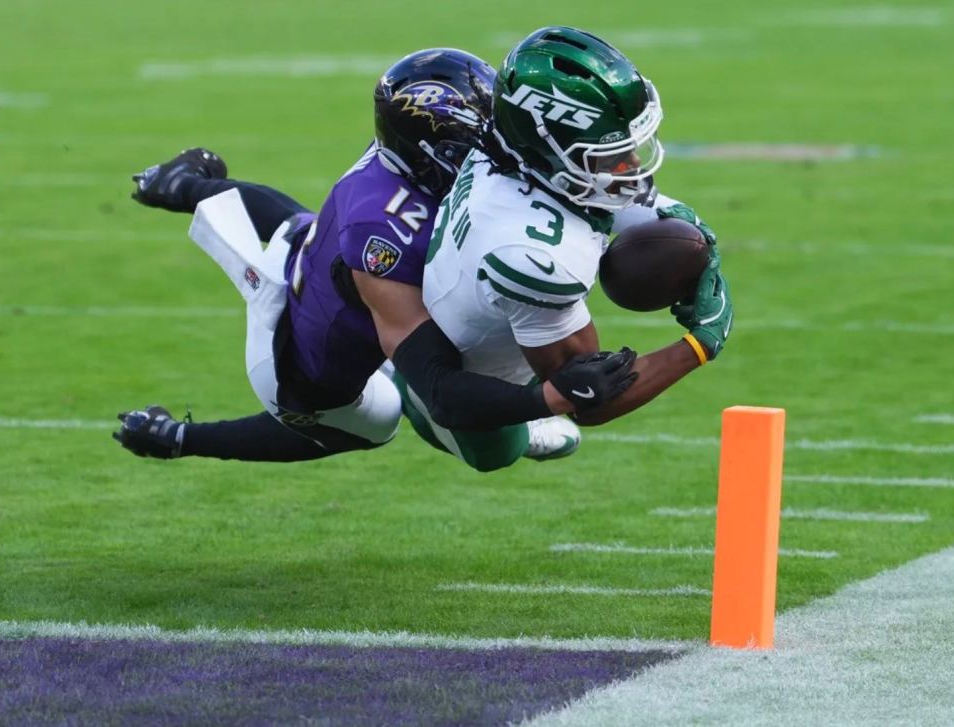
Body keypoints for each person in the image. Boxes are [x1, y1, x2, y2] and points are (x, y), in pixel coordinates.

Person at [113, 48, 637, 470]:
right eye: (480, 143)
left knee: (302, 228)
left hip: (312, 258)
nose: (494, 152)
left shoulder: (402, 155)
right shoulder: (386, 236)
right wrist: (545, 399)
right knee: (386, 417)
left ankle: (178, 185)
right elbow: (440, 388)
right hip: (302, 374)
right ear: (437, 151)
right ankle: (175, 438)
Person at [401, 27, 734, 466]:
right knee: (497, 453)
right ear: (552, 149)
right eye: (609, 153)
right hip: (474, 384)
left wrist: (693, 233)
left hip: (455, 296)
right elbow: (591, 395)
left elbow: (615, 200)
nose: (633, 163)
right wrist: (701, 343)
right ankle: (402, 386)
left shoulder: (507, 142)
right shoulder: (535, 257)